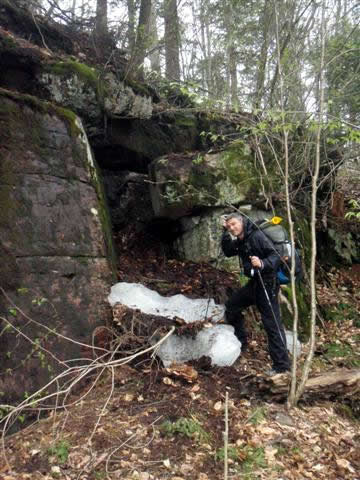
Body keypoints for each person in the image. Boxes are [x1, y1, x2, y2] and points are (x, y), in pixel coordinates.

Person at [221, 213, 290, 375]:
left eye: (234, 224)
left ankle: (282, 367)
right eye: (229, 226)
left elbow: (277, 255)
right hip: (255, 284)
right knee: (231, 306)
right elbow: (228, 252)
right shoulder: (242, 239)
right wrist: (223, 233)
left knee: (272, 325)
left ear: (242, 221)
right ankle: (241, 342)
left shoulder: (257, 236)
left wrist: (263, 263)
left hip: (268, 284)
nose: (232, 228)